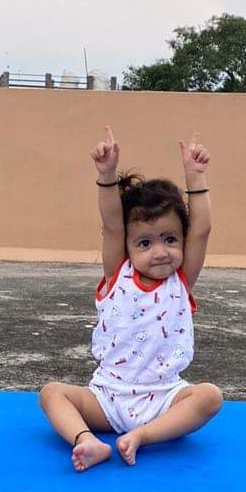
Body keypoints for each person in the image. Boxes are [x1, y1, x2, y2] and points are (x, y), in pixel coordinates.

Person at [39, 124, 223, 471]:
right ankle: (86, 440)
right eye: (145, 242)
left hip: (164, 398)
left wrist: (195, 177)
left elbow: (202, 228)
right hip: (106, 398)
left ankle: (144, 436)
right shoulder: (117, 274)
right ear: (127, 245)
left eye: (170, 239)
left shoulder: (182, 280)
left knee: (210, 397)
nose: (160, 252)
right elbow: (111, 224)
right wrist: (106, 176)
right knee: (51, 393)